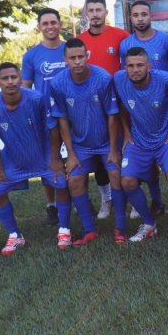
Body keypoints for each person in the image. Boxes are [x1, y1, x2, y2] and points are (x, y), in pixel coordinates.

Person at [0, 63, 65, 254]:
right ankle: (14, 235)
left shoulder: (36, 98)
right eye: (5, 78)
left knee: (60, 181)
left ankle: (64, 230)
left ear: (20, 79)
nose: (10, 82)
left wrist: (55, 158)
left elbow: (53, 128)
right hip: (14, 158)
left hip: (42, 154)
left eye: (13, 77)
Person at [49, 39, 121, 247]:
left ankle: (121, 227)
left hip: (106, 141)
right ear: (65, 60)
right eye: (72, 58)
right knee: (74, 180)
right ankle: (90, 230)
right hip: (81, 145)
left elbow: (112, 115)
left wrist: (114, 148)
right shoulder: (58, 83)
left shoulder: (103, 78)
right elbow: (61, 120)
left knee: (116, 174)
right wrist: (70, 153)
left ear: (87, 56)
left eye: (81, 56)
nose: (77, 61)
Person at [113, 48, 168, 241]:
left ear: (149, 66)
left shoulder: (166, 80)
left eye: (140, 65)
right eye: (130, 65)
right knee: (127, 181)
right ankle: (148, 224)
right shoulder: (119, 80)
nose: (135, 69)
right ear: (124, 67)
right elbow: (121, 105)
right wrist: (127, 131)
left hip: (165, 138)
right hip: (137, 139)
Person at [77, 0, 128, 218]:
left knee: (125, 151)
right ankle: (106, 200)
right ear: (86, 13)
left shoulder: (121, 36)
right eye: (91, 10)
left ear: (106, 12)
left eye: (99, 9)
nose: (95, 14)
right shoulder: (79, 41)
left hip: (119, 104)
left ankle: (133, 198)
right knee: (99, 156)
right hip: (91, 108)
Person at [21, 8, 68, 225]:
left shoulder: (71, 49)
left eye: (53, 22)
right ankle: (51, 206)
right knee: (49, 161)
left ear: (60, 24)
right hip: (44, 117)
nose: (50, 27)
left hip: (72, 113)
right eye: (45, 23)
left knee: (74, 159)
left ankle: (78, 196)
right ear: (39, 27)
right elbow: (26, 90)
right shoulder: (31, 56)